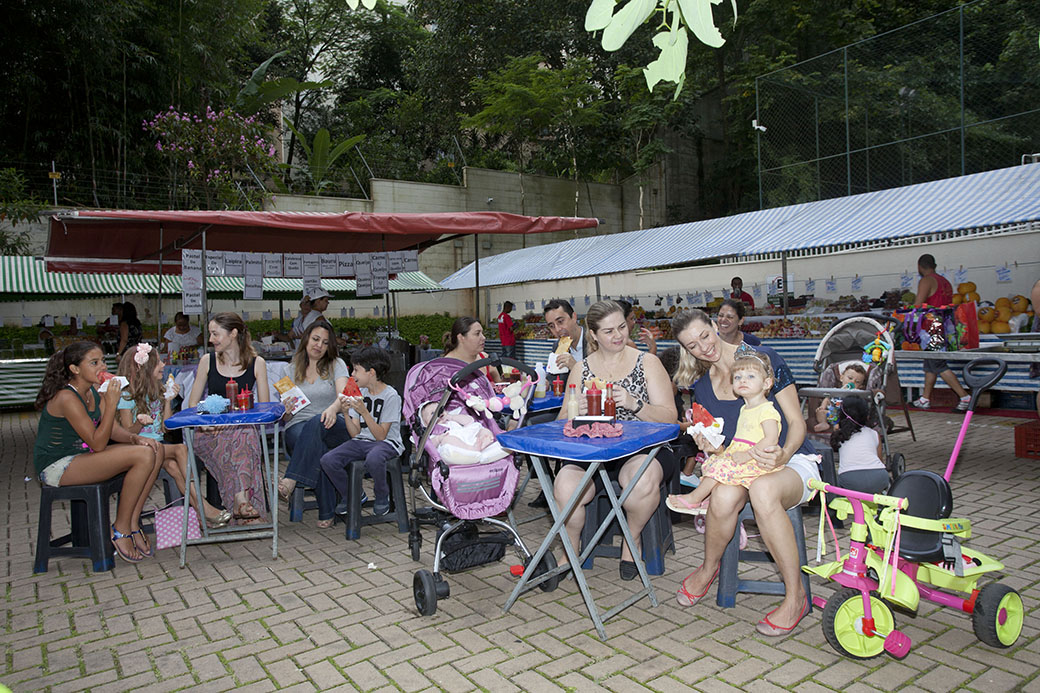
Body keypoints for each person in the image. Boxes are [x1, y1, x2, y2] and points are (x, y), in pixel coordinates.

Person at [670, 308, 820, 636]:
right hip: (742, 464)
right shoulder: (703, 386)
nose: (703, 347)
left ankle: (795, 597)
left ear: (715, 326)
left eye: (705, 335)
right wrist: (706, 444)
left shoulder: (762, 359)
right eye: (692, 345)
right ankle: (709, 569)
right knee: (722, 496)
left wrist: (782, 453)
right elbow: (726, 446)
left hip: (792, 460)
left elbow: (797, 423)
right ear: (686, 350)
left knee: (764, 489)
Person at [554, 300, 678, 581]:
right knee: (565, 485)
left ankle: (631, 538)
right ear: (594, 334)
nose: (618, 335)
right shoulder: (581, 369)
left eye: (622, 327)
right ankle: (570, 549)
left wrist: (635, 404)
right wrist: (577, 411)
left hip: (646, 447)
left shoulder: (647, 362)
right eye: (608, 331)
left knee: (640, 480)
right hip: (593, 450)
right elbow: (562, 421)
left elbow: (670, 417)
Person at [33, 341, 164, 563]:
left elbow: (111, 430)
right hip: (57, 465)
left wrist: (134, 437)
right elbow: (98, 444)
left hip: (82, 457)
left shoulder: (93, 391)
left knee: (154, 448)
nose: (101, 366)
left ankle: (132, 522)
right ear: (75, 369)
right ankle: (120, 528)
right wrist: (111, 403)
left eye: (102, 360)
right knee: (142, 455)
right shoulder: (66, 397)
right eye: (94, 363)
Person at [116, 343, 230, 529]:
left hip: (159, 448)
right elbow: (128, 434)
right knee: (180, 448)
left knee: (174, 467)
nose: (163, 365)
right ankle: (204, 508)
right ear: (144, 368)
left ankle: (200, 515)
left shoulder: (156, 392)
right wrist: (139, 423)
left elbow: (165, 428)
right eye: (158, 362)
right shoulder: (127, 396)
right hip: (137, 449)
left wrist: (168, 401)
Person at [666, 349, 781, 514]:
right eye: (738, 377)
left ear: (766, 383)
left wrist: (748, 455)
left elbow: (771, 439)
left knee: (721, 466)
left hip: (755, 459)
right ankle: (708, 498)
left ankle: (694, 498)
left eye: (751, 376)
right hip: (742, 454)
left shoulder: (767, 410)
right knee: (713, 463)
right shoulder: (746, 409)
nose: (743, 380)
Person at [186, 312, 271, 524]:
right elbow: (193, 404)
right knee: (244, 437)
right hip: (209, 433)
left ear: (233, 333)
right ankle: (245, 504)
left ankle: (240, 501)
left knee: (243, 433)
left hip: (241, 431)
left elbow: (263, 408)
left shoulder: (256, 363)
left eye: (215, 334)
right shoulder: (208, 361)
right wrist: (205, 424)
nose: (211, 339)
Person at [276, 321, 351, 528]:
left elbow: (344, 395)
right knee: (320, 449)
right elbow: (287, 419)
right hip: (298, 427)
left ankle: (291, 478)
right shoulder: (288, 370)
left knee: (317, 423)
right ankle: (328, 511)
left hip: (334, 422)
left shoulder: (337, 364)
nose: (319, 345)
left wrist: (332, 409)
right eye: (316, 339)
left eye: (325, 343)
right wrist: (287, 411)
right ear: (306, 338)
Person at [320, 346, 404, 517]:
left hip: (388, 443)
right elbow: (354, 434)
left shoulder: (391, 396)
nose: (352, 375)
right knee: (328, 460)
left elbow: (381, 436)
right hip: (362, 441)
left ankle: (382, 496)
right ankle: (354, 494)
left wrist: (364, 411)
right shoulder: (359, 393)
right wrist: (345, 411)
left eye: (356, 370)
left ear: (371, 372)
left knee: (374, 457)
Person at [912, 253, 970, 411]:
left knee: (938, 364)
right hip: (945, 324)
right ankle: (925, 398)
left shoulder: (926, 280)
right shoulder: (945, 281)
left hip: (931, 325)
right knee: (930, 364)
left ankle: (964, 397)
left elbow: (918, 304)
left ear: (920, 266)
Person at [830, 395, 889, 494]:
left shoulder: (840, 435)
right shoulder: (874, 434)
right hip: (879, 477)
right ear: (867, 416)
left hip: (850, 480)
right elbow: (879, 460)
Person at [442, 316, 502, 383]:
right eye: (477, 334)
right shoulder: (446, 366)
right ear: (461, 337)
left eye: (482, 333)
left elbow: (500, 385)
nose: (483, 337)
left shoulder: (485, 358)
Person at [813, 363, 868, 433]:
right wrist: (822, 406)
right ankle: (823, 423)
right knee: (820, 412)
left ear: (860, 386)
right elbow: (827, 399)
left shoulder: (856, 394)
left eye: (857, 382)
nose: (852, 382)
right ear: (841, 378)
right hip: (832, 413)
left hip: (845, 415)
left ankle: (837, 425)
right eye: (850, 378)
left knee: (850, 417)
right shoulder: (835, 390)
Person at [544, 299, 587, 373]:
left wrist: (575, 367)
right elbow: (554, 378)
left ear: (574, 317)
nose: (557, 329)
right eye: (551, 326)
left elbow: (604, 379)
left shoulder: (595, 342)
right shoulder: (557, 346)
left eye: (560, 321)